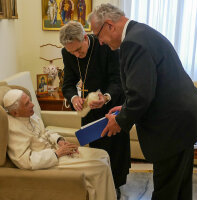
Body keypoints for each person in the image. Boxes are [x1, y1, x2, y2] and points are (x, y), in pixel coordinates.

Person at [88, 3, 197, 200]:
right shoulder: (141, 32)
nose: (101, 43)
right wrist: (124, 107)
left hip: (171, 125)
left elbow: (141, 95)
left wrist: (120, 120)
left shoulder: (133, 42)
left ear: (109, 26)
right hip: (184, 120)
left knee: (166, 190)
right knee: (180, 186)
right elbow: (151, 85)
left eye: (98, 36)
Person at [59, 21, 130, 199]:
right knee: (97, 149)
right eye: (72, 52)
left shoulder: (105, 46)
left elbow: (118, 80)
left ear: (85, 38)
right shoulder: (68, 53)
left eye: (78, 50)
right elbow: (67, 84)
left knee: (116, 148)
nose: (77, 55)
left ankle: (116, 186)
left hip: (112, 103)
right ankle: (99, 182)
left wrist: (105, 97)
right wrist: (73, 97)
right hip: (90, 108)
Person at [3, 89, 116, 200]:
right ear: (15, 112)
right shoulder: (12, 128)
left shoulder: (30, 114)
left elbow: (45, 132)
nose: (33, 105)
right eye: (27, 103)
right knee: (99, 166)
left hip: (57, 149)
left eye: (30, 100)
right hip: (50, 161)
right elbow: (25, 161)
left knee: (103, 154)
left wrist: (59, 140)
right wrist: (56, 154)